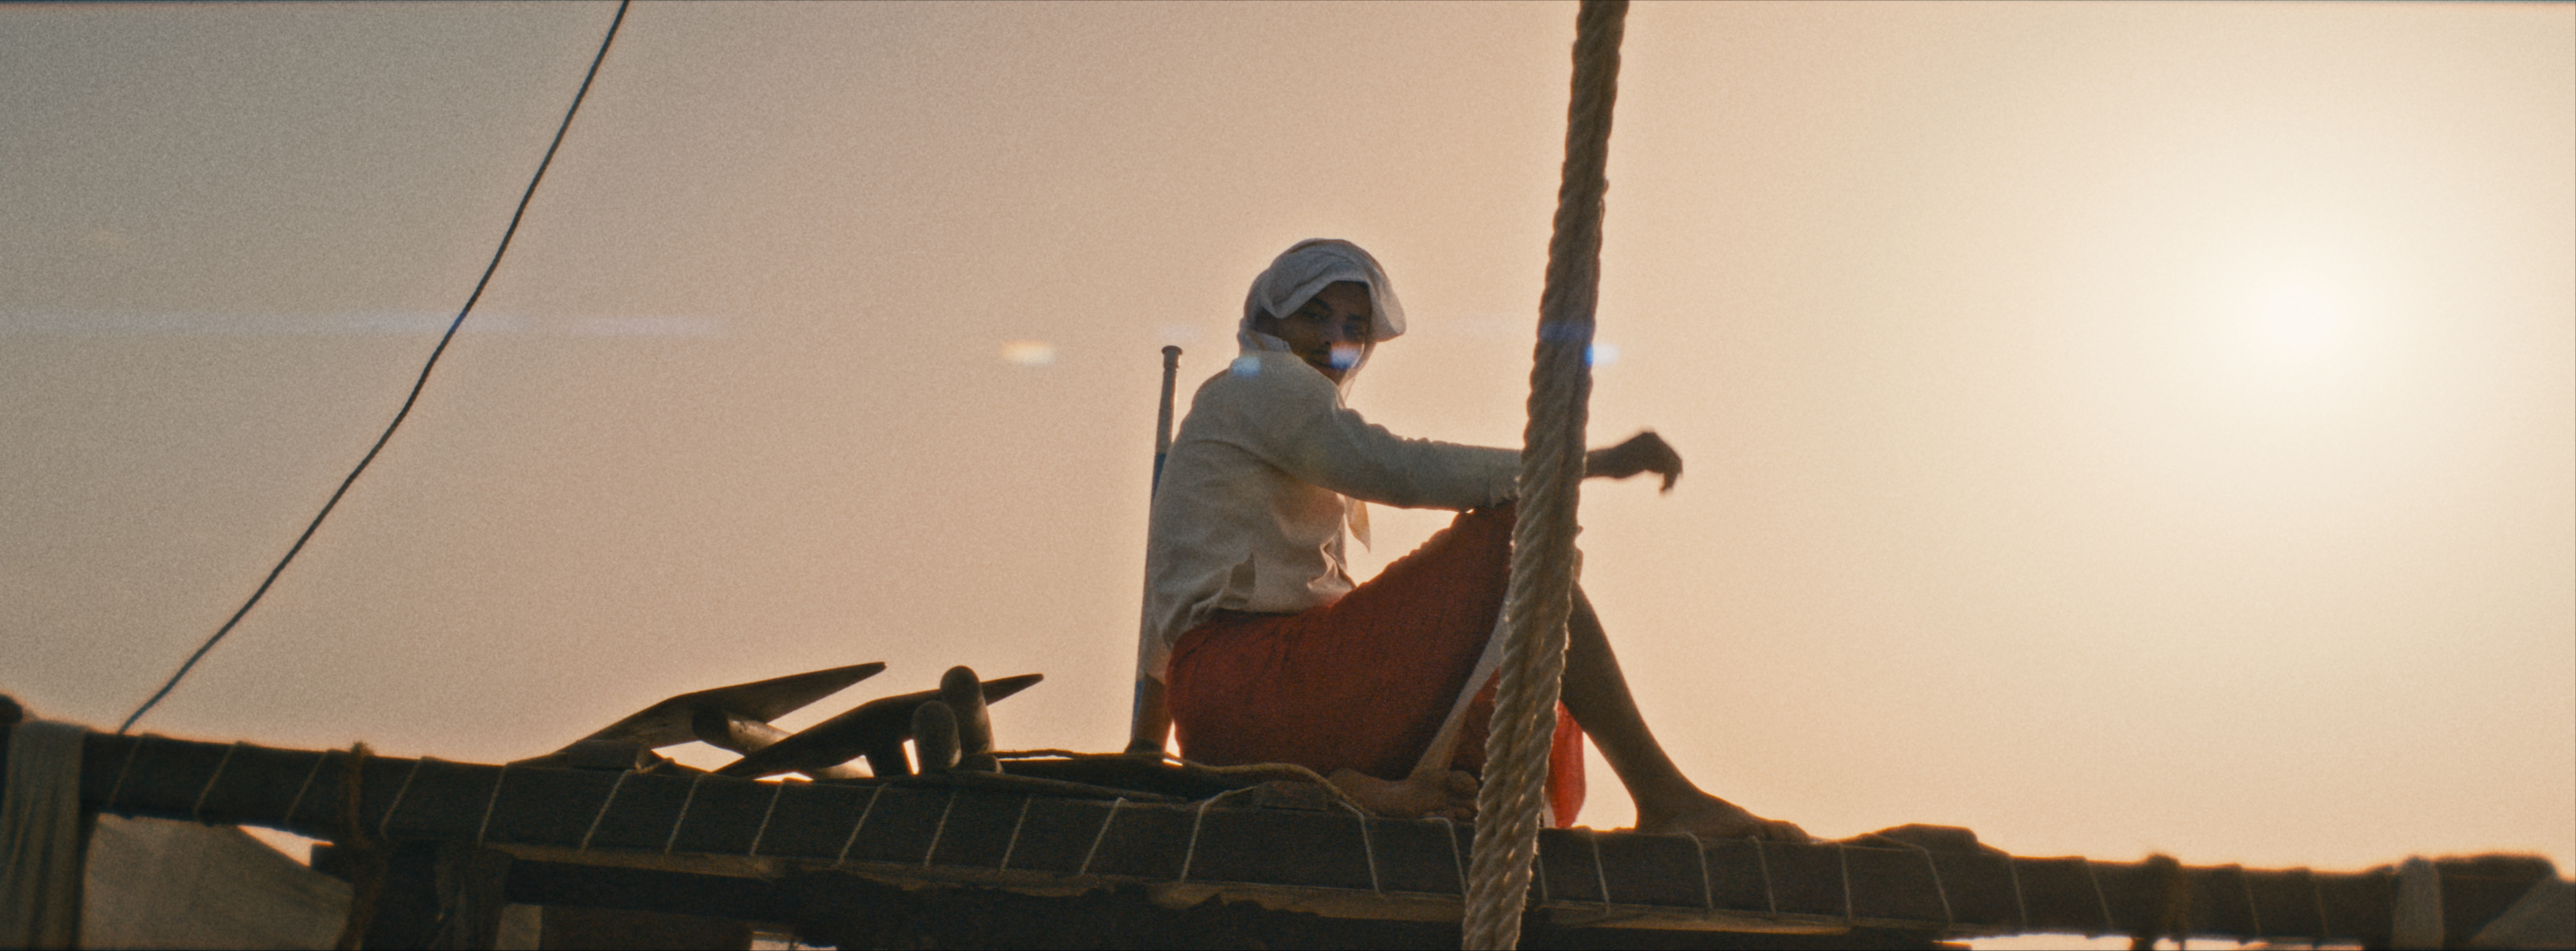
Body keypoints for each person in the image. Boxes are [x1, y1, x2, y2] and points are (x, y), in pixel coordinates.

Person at [1126, 239, 1804, 840]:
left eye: (1354, 329)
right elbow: (1398, 468)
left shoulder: (1252, 417)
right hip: (1259, 689)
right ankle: (1666, 797)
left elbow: (1168, 615)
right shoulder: (1259, 383)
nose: (1334, 339)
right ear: (1267, 321)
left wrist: (1149, 749)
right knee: (1518, 546)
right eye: (1314, 315)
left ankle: (1363, 792)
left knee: (1495, 658)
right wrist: (1588, 462)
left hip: (1230, 723)